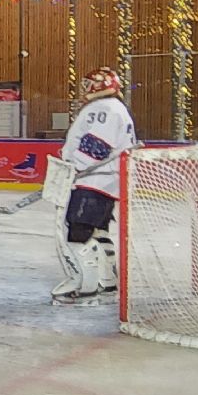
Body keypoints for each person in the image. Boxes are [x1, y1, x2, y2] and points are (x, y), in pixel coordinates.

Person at [52, 67, 137, 305]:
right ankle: (107, 281)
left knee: (78, 232)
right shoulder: (114, 108)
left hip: (93, 180)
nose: (85, 88)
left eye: (89, 83)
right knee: (99, 232)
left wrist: (75, 167)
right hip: (106, 181)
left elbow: (97, 146)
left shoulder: (103, 109)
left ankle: (85, 286)